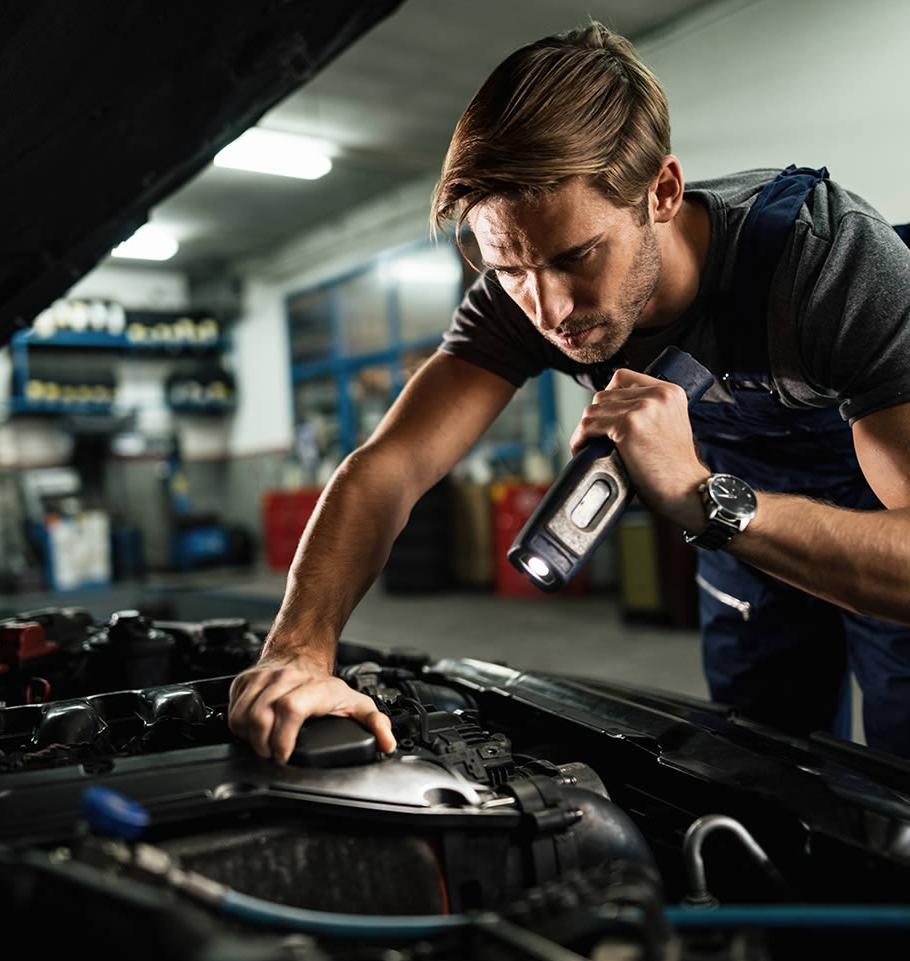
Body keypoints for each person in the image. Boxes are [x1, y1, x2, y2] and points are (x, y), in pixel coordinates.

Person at [228, 21, 910, 763]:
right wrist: (298, 649)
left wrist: (698, 492)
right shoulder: (515, 296)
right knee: (761, 772)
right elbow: (388, 467)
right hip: (739, 541)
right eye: (510, 268)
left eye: (577, 256)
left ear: (663, 193)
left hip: (866, 524)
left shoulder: (825, 264)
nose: (548, 310)